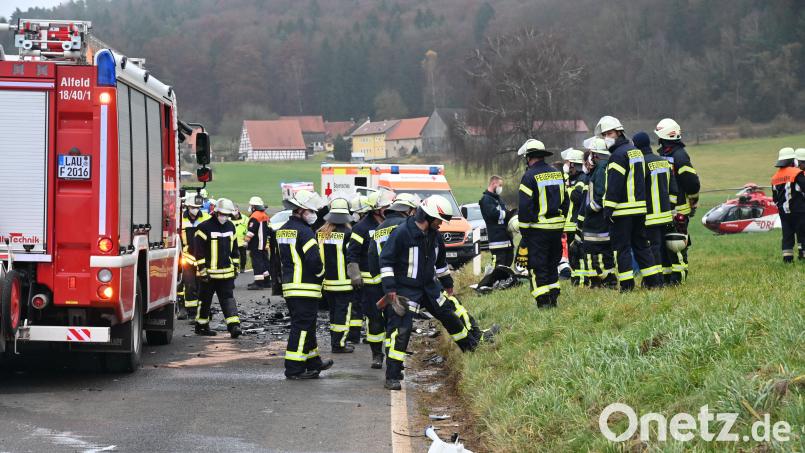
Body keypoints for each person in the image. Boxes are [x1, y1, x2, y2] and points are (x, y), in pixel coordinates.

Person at [379, 195, 478, 390]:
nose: (441, 224)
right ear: (428, 217)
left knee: (450, 316)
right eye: (439, 220)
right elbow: (386, 261)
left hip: (429, 287)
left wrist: (447, 283)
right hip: (406, 289)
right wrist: (390, 289)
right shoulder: (402, 233)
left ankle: (471, 350)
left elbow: (440, 264)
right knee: (402, 330)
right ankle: (392, 375)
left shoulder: (435, 236)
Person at [276, 190, 334, 380]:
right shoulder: (305, 232)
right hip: (305, 287)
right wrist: (321, 275)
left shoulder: (283, 229)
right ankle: (294, 368)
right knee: (301, 328)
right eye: (310, 211)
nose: (313, 214)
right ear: (300, 210)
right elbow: (314, 260)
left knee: (307, 326)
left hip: (290, 286)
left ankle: (313, 361)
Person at [598, 116, 661, 291]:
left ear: (619, 132)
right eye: (604, 135)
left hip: (622, 211)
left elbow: (614, 185)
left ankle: (627, 286)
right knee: (642, 246)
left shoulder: (617, 156)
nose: (606, 137)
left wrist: (608, 209)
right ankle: (653, 282)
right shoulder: (636, 152)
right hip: (639, 209)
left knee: (622, 249)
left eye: (609, 133)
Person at [346, 189, 395, 365]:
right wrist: (355, 275)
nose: (389, 209)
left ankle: (392, 354)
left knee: (392, 318)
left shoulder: (391, 225)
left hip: (389, 282)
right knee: (374, 320)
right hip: (370, 285)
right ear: (377, 209)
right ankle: (377, 355)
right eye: (386, 207)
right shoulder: (361, 228)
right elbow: (352, 254)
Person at [517, 139, 566, 308]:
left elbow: (525, 207)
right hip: (556, 228)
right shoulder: (557, 173)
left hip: (538, 230)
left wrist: (525, 232)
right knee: (552, 264)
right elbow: (565, 201)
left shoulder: (529, 176)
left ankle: (543, 301)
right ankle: (553, 298)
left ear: (528, 157)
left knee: (538, 266)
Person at [655, 118, 700, 283]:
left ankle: (678, 278)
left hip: (679, 209)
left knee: (676, 244)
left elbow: (692, 183)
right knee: (665, 246)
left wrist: (693, 201)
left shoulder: (679, 156)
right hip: (666, 208)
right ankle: (667, 277)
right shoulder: (665, 154)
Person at [193, 198, 243, 338]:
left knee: (228, 299)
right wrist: (202, 270)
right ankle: (201, 326)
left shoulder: (230, 227)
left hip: (226, 274)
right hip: (208, 274)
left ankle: (234, 326)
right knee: (205, 300)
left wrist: (236, 266)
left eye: (227, 215)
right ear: (216, 212)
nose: (224, 217)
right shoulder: (204, 227)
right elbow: (198, 252)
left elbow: (235, 249)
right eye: (222, 214)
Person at [632, 132, 676, 284]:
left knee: (652, 248)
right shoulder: (664, 162)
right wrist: (670, 208)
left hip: (649, 215)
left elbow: (637, 189)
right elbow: (673, 189)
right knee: (663, 247)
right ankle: (666, 277)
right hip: (666, 214)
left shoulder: (640, 163)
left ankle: (655, 280)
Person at [317, 198, 357, 354]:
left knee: (333, 313)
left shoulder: (320, 233)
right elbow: (351, 258)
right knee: (343, 314)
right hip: (344, 283)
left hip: (327, 282)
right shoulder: (348, 233)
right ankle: (339, 344)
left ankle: (335, 341)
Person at [581, 137, 617, 288]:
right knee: (605, 252)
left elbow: (600, 196)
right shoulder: (604, 167)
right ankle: (609, 279)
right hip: (601, 220)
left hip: (595, 221)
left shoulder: (601, 169)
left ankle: (597, 281)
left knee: (592, 251)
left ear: (595, 154)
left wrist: (590, 210)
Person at [179, 192, 210, 320]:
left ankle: (202, 311)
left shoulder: (206, 217)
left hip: (203, 257)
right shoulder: (180, 219)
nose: (195, 210)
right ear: (187, 206)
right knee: (189, 284)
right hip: (187, 257)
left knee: (202, 284)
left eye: (197, 207)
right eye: (193, 207)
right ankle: (191, 312)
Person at [771, 147, 805, 263]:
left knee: (787, 236)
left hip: (784, 212)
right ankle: (803, 255)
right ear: (793, 160)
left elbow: (775, 198)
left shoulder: (775, 177)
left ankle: (787, 259)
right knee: (802, 233)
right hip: (799, 211)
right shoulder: (796, 173)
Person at [561, 149, 588, 286]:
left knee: (579, 252)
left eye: (568, 162)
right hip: (568, 224)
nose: (565, 165)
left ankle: (582, 280)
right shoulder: (568, 178)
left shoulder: (582, 178)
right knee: (571, 254)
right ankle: (575, 279)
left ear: (573, 164)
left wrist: (567, 188)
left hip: (577, 223)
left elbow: (576, 197)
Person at [479, 176, 514, 267]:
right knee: (499, 268)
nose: (501, 188)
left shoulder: (498, 199)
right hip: (497, 242)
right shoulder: (486, 199)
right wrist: (507, 214)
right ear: (493, 183)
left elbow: (504, 212)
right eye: (500, 185)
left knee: (508, 265)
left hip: (507, 240)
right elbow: (493, 214)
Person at [245, 196, 271, 290]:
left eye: (251, 205)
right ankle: (267, 281)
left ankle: (258, 283)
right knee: (264, 261)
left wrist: (246, 241)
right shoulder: (264, 215)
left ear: (254, 206)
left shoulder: (255, 216)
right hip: (263, 243)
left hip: (256, 243)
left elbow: (251, 231)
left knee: (257, 262)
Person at [231, 205, 248, 274]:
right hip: (232, 241)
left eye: (235, 210)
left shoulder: (245, 218)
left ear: (238, 210)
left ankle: (242, 267)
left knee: (243, 256)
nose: (234, 212)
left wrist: (247, 239)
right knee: (234, 256)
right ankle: (235, 267)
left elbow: (249, 228)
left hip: (242, 241)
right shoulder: (228, 219)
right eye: (233, 210)